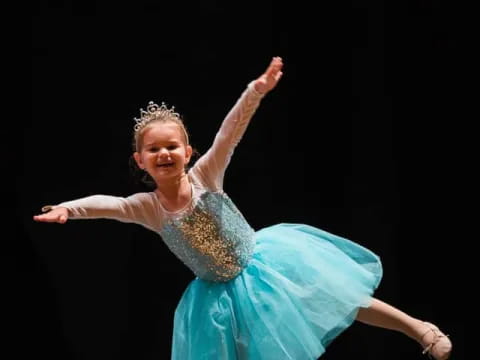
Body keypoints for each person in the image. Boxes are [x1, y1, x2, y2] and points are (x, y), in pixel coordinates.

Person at [33, 57, 452, 360]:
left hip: (263, 265)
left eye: (172, 146)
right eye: (153, 149)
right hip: (218, 297)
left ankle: (419, 329)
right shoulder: (148, 208)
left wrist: (255, 91)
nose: (164, 153)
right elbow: (108, 205)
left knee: (341, 297)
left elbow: (229, 132)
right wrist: (70, 209)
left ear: (187, 151)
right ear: (140, 160)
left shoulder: (205, 176)